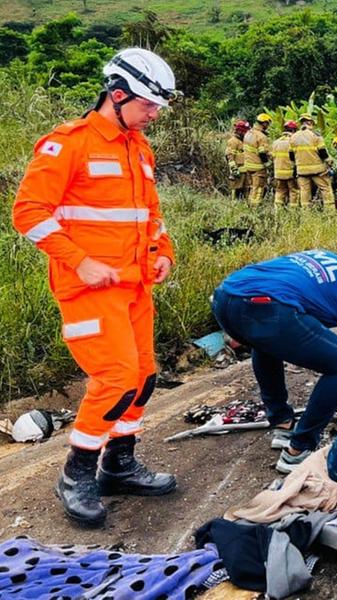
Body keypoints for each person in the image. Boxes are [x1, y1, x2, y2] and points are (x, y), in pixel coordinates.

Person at [11, 48, 180, 527]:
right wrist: (80, 262)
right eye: (148, 104)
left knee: (144, 375)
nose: (154, 114)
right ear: (118, 94)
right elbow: (28, 213)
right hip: (88, 290)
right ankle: (76, 474)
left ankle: (119, 464)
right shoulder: (69, 144)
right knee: (116, 379)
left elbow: (150, 214)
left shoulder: (138, 148)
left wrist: (163, 251)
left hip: (134, 286)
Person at [211, 250, 337, 473]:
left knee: (266, 341)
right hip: (267, 307)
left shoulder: (329, 258)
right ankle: (299, 450)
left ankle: (282, 424)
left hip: (225, 298)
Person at [292, 113, 335, 208]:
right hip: (317, 169)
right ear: (310, 122)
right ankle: (330, 212)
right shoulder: (315, 135)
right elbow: (322, 151)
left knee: (304, 191)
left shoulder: (294, 136)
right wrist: (329, 161)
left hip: (301, 170)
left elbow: (291, 156)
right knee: (326, 189)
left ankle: (306, 213)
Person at [242, 113, 272, 206]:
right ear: (264, 123)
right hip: (258, 167)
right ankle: (255, 208)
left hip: (248, 165)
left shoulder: (248, 133)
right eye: (267, 124)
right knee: (258, 188)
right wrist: (268, 164)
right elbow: (262, 152)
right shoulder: (261, 137)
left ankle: (249, 204)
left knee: (251, 188)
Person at [271, 120, 299, 208]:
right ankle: (293, 211)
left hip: (278, 173)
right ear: (294, 130)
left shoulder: (276, 142)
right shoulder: (293, 141)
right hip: (290, 173)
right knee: (294, 191)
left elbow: (273, 157)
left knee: (280, 191)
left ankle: (277, 210)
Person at [226, 119, 249, 200]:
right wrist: (234, 169)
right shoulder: (233, 141)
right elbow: (230, 156)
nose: (246, 133)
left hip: (246, 172)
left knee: (246, 191)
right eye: (244, 132)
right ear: (239, 131)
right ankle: (234, 206)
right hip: (237, 171)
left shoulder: (244, 142)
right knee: (235, 190)